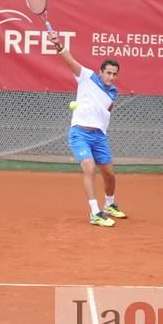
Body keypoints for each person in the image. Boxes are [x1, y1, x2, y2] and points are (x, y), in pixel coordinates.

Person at [48, 31, 127, 227]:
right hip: (80, 134)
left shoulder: (114, 93)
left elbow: (105, 113)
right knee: (89, 168)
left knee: (109, 174)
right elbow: (69, 60)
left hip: (99, 137)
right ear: (101, 72)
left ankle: (109, 205)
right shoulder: (86, 76)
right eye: (108, 72)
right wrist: (58, 44)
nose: (111, 76)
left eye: (114, 74)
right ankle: (95, 213)